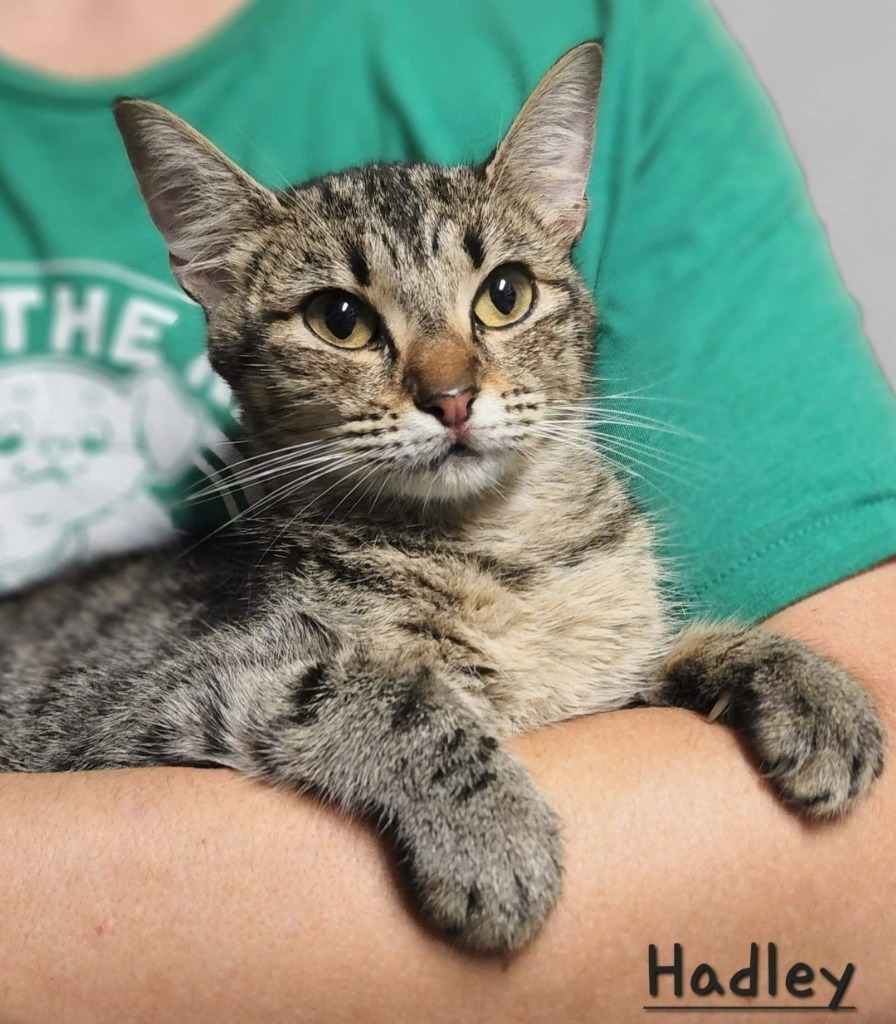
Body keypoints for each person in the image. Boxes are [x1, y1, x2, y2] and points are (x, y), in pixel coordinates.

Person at [1, 0, 895, 1020]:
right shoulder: (285, 600)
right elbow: (154, 723)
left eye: (503, 295)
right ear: (217, 287)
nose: (447, 381)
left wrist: (711, 668)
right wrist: (408, 743)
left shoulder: (616, 27)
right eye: (343, 319)